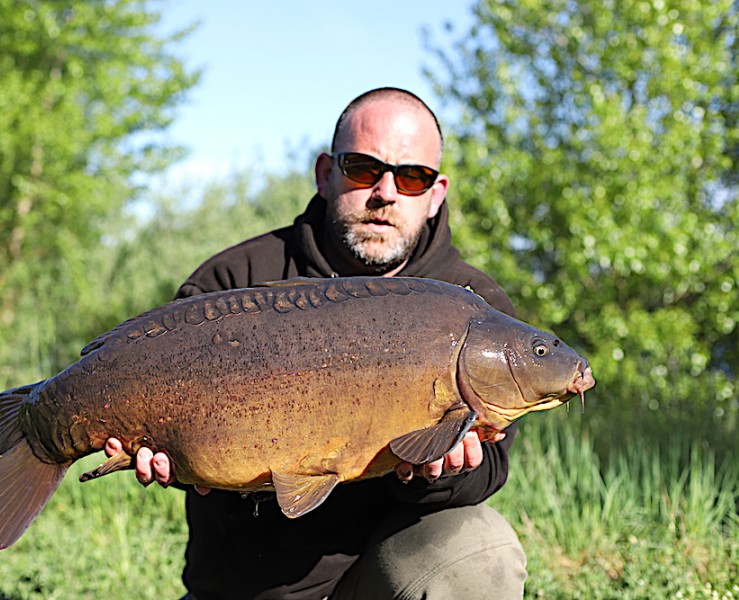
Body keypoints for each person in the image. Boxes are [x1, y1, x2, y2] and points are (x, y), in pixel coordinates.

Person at [106, 87, 527, 599]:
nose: (386, 192)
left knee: (482, 552)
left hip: (374, 581)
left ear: (436, 193)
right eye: (363, 168)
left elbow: (495, 467)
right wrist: (175, 454)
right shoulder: (234, 280)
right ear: (326, 173)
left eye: (411, 176)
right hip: (247, 587)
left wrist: (434, 470)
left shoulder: (473, 307)